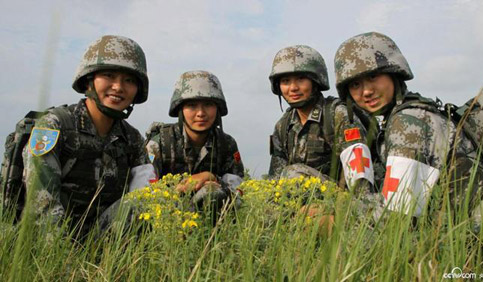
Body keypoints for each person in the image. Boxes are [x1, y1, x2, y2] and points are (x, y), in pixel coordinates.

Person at [334, 31, 483, 218]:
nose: (366, 91)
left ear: (394, 74)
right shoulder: (406, 115)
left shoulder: (408, 122)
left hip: (468, 232)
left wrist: (335, 217)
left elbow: (398, 213)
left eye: (373, 77)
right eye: (355, 85)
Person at [22, 35, 156, 233]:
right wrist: (64, 261)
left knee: (144, 203)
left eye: (128, 80)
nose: (118, 87)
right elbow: (42, 207)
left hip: (102, 244)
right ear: (88, 81)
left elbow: (145, 199)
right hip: (49, 242)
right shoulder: (54, 126)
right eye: (109, 75)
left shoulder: (133, 140)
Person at [268, 45, 374, 192]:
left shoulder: (338, 115)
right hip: (301, 206)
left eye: (301, 79)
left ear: (316, 81)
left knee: (293, 173)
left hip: (344, 202)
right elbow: (275, 179)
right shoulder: (283, 126)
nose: (293, 88)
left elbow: (361, 183)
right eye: (285, 81)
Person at [145, 70, 244, 211]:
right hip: (168, 215)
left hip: (212, 221)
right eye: (192, 105)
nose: (201, 113)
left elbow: (239, 191)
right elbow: (145, 188)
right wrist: (177, 189)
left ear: (218, 108)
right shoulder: (161, 142)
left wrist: (212, 178)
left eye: (208, 105)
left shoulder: (226, 144)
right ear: (180, 109)